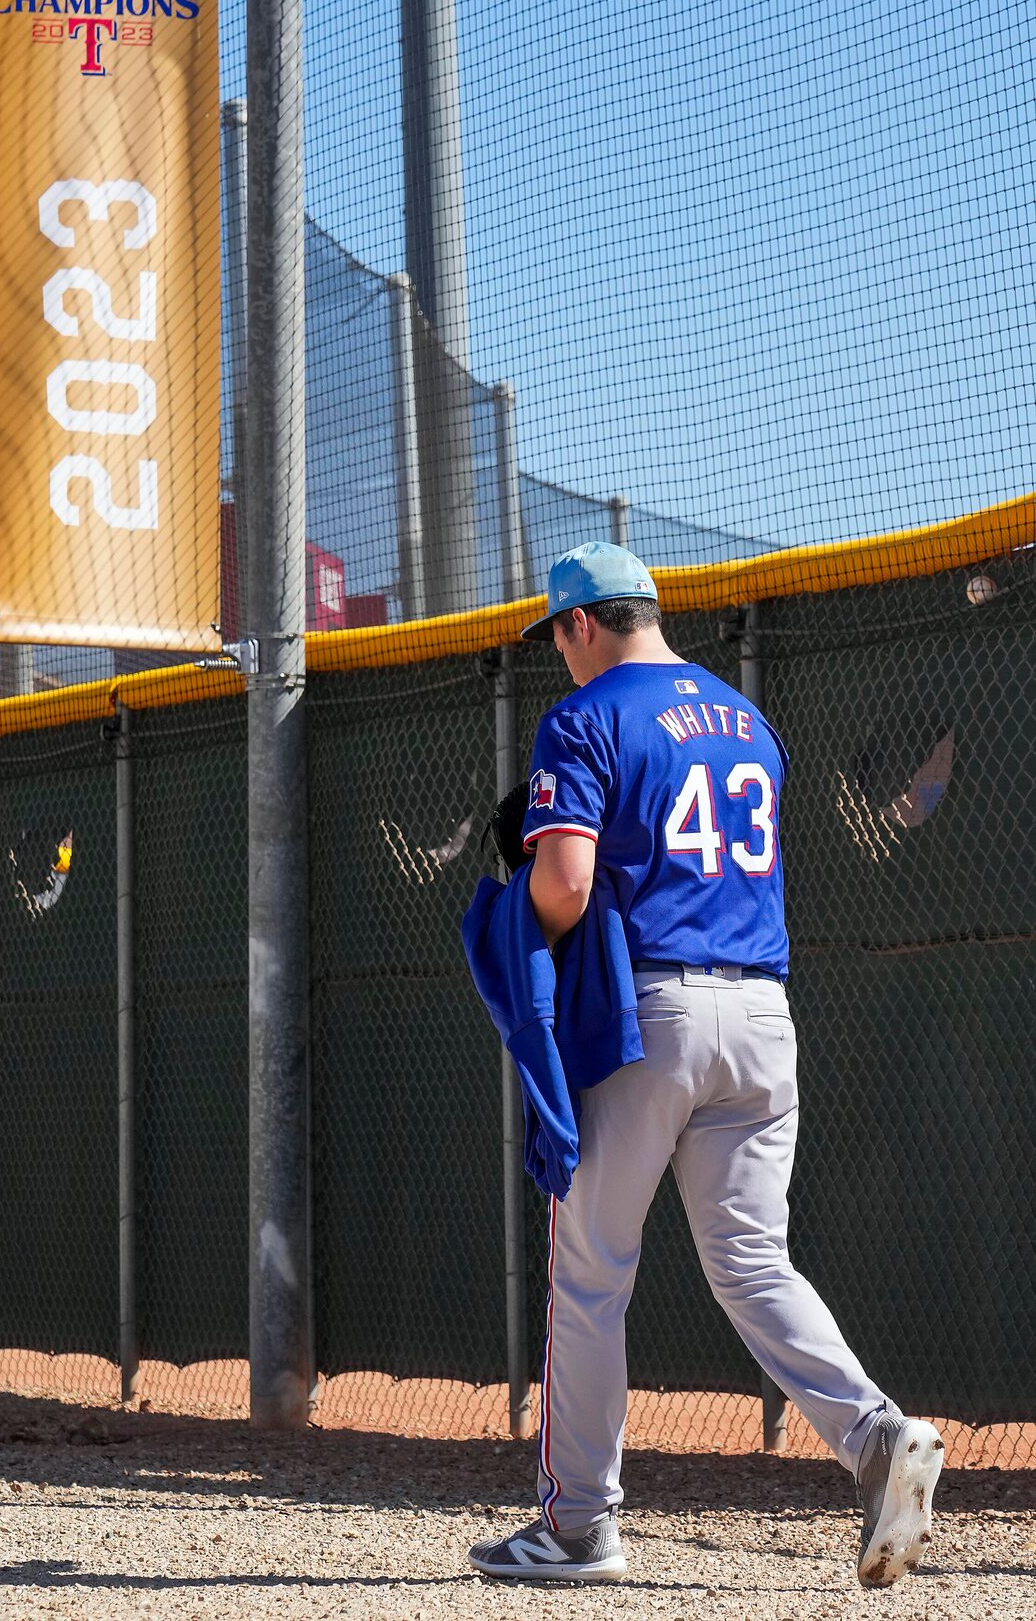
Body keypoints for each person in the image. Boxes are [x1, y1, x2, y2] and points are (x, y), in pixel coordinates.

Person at [468, 542, 944, 1589]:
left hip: (650, 1016)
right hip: (761, 1015)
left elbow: (563, 881)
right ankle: (875, 1439)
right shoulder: (749, 721)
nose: (558, 654)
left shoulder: (586, 716)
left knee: (589, 1275)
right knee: (750, 1263)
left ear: (582, 622)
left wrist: (514, 918)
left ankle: (576, 1527)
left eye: (556, 633)